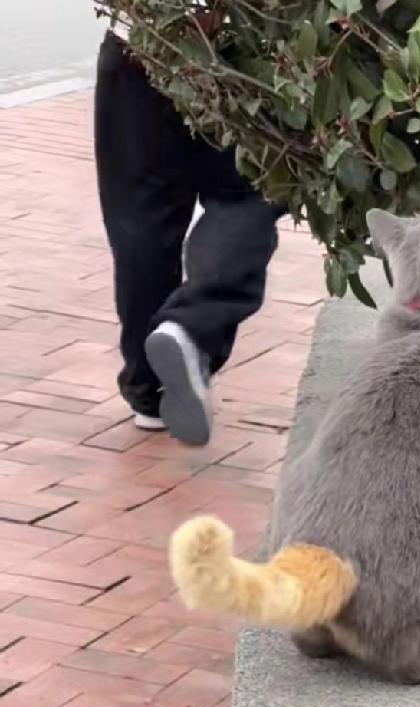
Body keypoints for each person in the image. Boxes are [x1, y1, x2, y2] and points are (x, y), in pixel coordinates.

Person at [94, 23, 284, 446]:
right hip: (244, 48)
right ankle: (191, 328)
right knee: (248, 196)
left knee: (141, 220)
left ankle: (149, 388)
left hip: (140, 36)